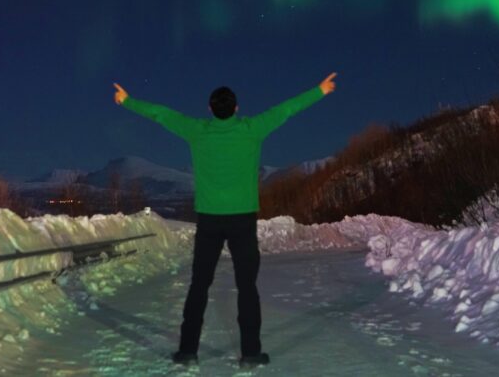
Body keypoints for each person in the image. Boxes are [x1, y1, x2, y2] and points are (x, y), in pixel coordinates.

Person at [112, 72, 337, 367]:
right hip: (242, 221)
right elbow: (286, 109)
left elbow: (161, 114)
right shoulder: (252, 129)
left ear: (209, 109)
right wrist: (320, 90)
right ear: (236, 108)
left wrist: (127, 100)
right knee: (247, 287)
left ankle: (188, 351)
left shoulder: (197, 131)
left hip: (208, 222)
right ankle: (251, 353)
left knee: (199, 285)